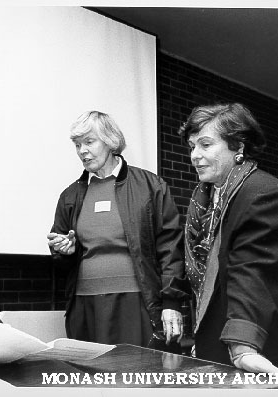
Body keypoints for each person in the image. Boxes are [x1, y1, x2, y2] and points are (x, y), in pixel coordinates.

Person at [178, 103, 278, 373]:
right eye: (192, 146)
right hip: (217, 340)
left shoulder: (265, 194)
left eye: (205, 145)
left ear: (238, 147)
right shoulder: (205, 199)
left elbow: (253, 272)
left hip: (263, 349)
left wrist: (242, 345)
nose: (195, 155)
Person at [47, 110, 186, 351]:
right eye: (77, 145)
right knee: (92, 382)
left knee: (137, 378)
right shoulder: (70, 196)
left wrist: (171, 302)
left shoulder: (150, 187)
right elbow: (62, 260)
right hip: (84, 306)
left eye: (89, 142)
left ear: (110, 141)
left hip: (136, 304)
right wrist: (64, 251)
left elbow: (171, 248)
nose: (82, 151)